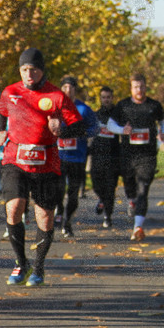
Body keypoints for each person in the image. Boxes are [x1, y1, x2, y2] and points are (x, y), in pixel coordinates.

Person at [0, 48, 85, 286]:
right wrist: (1, 130)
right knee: (14, 208)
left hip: (46, 163)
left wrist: (61, 129)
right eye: (24, 69)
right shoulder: (11, 91)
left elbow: (79, 126)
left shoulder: (56, 95)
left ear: (41, 70)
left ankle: (38, 266)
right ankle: (20, 263)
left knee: (44, 216)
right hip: (15, 158)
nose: (28, 74)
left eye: (33, 69)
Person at [107, 72, 164, 241]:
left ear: (146, 87)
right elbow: (110, 124)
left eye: (141, 86)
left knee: (143, 190)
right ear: (131, 88)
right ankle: (131, 200)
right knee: (130, 187)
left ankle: (138, 227)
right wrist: (122, 130)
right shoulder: (123, 106)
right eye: (135, 87)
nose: (139, 89)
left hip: (147, 155)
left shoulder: (154, 105)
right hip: (127, 155)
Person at [54, 76, 97, 237]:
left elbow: (95, 128)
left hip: (77, 157)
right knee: (58, 189)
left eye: (71, 87)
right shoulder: (55, 107)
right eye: (64, 87)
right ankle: (58, 208)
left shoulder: (84, 109)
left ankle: (67, 221)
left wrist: (84, 133)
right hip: (58, 156)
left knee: (73, 193)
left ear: (75, 89)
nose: (68, 90)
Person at [89, 86, 121, 228]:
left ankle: (108, 216)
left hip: (113, 156)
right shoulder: (95, 116)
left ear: (112, 98)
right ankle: (101, 199)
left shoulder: (118, 115)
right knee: (96, 184)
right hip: (97, 156)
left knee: (110, 187)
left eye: (108, 97)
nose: (106, 100)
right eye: (103, 97)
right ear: (100, 99)